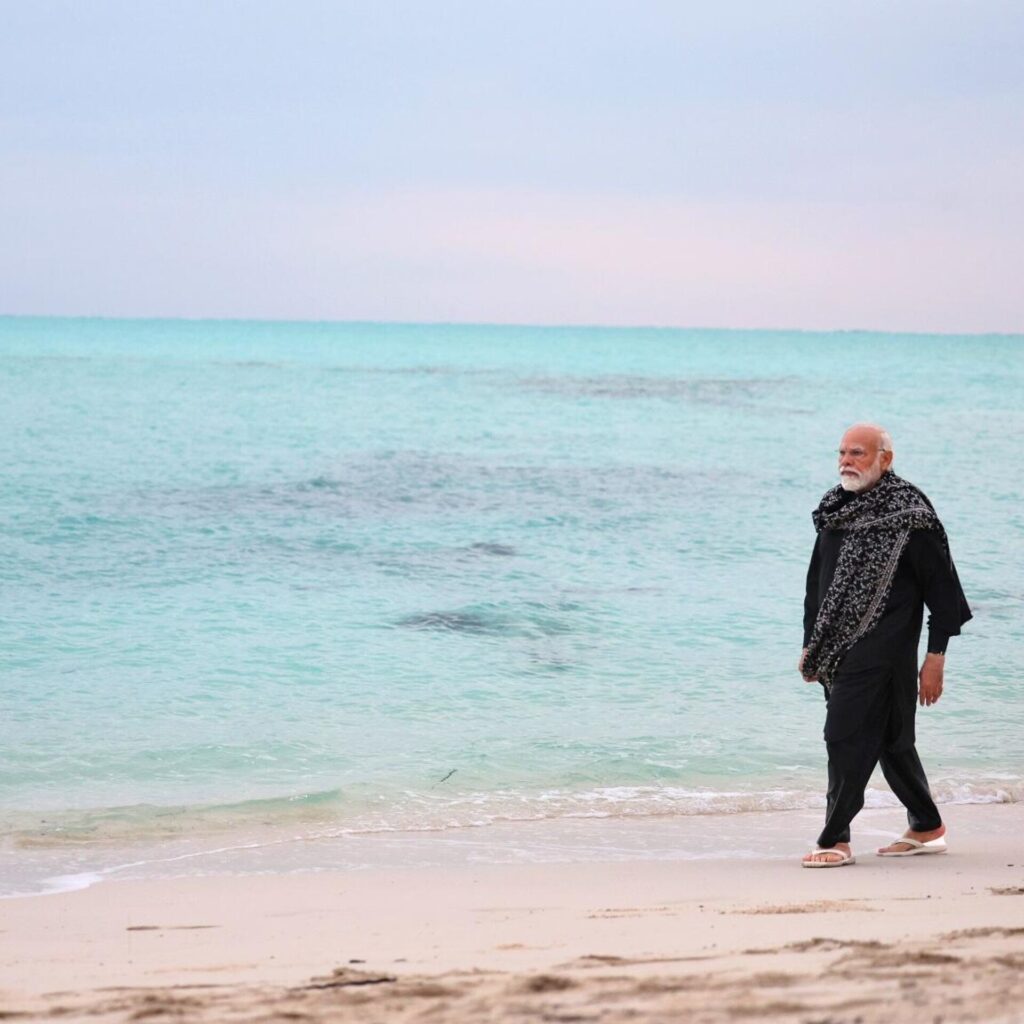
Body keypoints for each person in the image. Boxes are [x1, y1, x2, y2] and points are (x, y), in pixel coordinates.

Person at [798, 423, 971, 868]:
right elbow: (817, 584)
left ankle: (835, 838)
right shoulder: (835, 510)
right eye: (841, 453)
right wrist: (809, 643)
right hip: (837, 650)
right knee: (893, 741)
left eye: (857, 453)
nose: (846, 462)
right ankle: (926, 827)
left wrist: (935, 658)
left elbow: (944, 593)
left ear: (885, 459)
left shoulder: (911, 515)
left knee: (842, 735)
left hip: (887, 651)